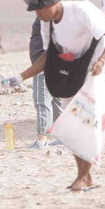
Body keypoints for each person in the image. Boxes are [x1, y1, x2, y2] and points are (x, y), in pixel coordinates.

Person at [3, 0, 105, 191]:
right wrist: (21, 77)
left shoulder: (81, 10)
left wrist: (101, 61)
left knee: (88, 119)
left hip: (101, 67)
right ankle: (86, 177)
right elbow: (48, 56)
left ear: (51, 3)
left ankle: (82, 177)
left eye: (39, 10)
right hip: (74, 71)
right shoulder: (46, 24)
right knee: (71, 125)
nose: (37, 15)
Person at [28, 17, 62, 149]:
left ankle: (42, 139)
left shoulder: (46, 16)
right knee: (56, 101)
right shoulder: (58, 17)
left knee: (42, 102)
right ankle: (63, 137)